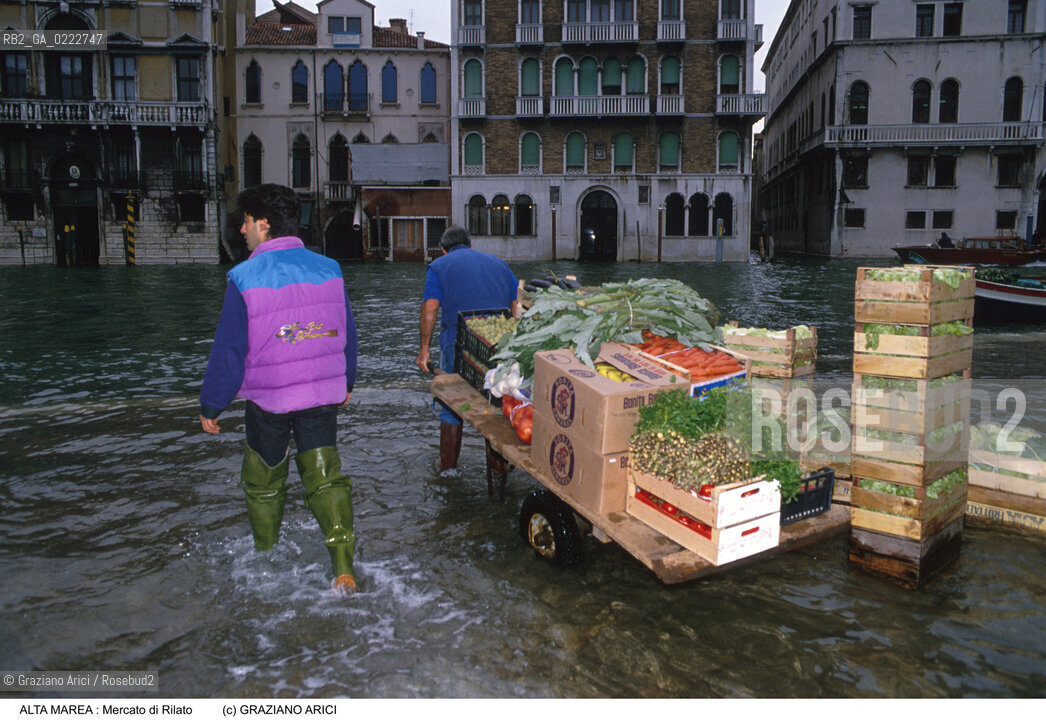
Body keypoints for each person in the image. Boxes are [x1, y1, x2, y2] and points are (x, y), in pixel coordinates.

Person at [199, 184, 360, 596]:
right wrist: (346, 381)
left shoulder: (243, 277)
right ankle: (343, 568)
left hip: (269, 400)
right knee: (325, 478)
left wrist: (212, 404)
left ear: (263, 224)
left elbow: (230, 349)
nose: (242, 230)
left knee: (264, 480)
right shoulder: (329, 268)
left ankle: (266, 556)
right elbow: (348, 330)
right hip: (320, 395)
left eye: (246, 222)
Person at [415, 226, 518, 471]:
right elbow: (515, 304)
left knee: (451, 405)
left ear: (443, 249)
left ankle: (447, 469)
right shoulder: (499, 264)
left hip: (458, 341)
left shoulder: (439, 266)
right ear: (470, 244)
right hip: (499, 344)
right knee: (495, 404)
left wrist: (424, 351)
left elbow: (430, 308)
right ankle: (497, 469)